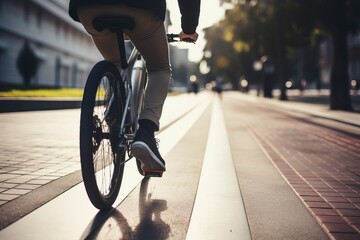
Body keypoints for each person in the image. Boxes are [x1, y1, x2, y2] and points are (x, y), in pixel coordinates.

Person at [68, 0, 200, 175]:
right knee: (159, 68)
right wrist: (189, 29)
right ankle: (145, 131)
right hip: (141, 8)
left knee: (114, 66)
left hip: (89, 8)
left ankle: (114, 115)